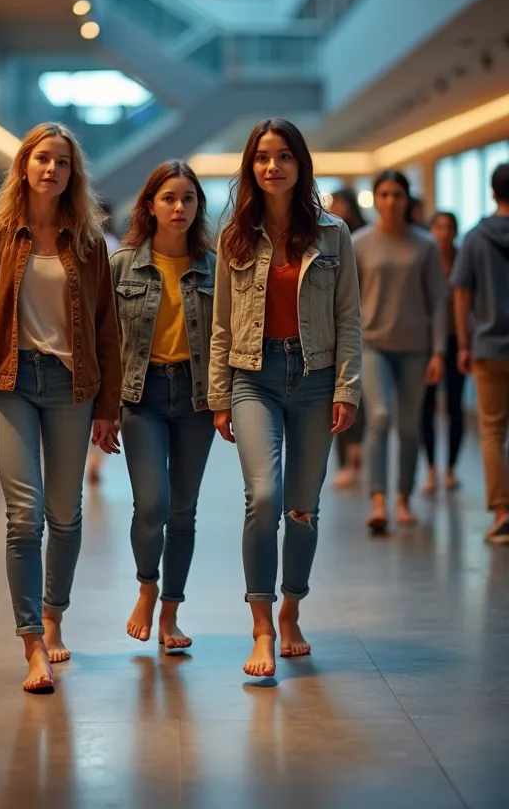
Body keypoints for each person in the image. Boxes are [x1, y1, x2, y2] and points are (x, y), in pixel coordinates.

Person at [0, 123, 122, 693]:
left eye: (63, 162)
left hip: (74, 387)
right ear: (24, 165)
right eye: (42, 159)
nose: (52, 169)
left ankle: (54, 618)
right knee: (23, 516)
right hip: (12, 382)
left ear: (73, 174)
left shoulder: (89, 241)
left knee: (65, 514)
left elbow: (107, 331)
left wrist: (110, 407)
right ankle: (32, 644)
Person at [209, 119, 361, 678]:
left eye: (284, 157)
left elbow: (348, 318)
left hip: (317, 375)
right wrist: (219, 397)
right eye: (263, 158)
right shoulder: (235, 236)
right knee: (263, 495)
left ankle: (293, 608)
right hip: (254, 375)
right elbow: (222, 326)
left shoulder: (333, 233)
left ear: (301, 165)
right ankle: (262, 626)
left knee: (302, 506)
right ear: (251, 167)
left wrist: (347, 387)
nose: (273, 167)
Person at [111, 161, 216, 652]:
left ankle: (170, 613)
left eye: (189, 199)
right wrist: (103, 408)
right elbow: (105, 341)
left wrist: (226, 399)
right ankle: (147, 586)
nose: (180, 208)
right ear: (149, 205)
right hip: (142, 396)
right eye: (169, 198)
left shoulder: (215, 266)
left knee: (184, 510)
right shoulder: (122, 265)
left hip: (196, 398)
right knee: (152, 504)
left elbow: (230, 336)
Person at [353, 170, 447, 534]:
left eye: (398, 195)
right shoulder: (359, 243)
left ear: (407, 200)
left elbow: (438, 300)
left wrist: (439, 351)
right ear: (376, 199)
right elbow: (347, 303)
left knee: (409, 427)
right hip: (372, 345)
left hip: (415, 348)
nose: (391, 202)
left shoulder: (425, 245)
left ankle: (403, 498)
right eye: (384, 195)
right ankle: (378, 500)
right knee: (379, 416)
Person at [452, 163, 509, 544]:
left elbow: (461, 294)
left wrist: (464, 343)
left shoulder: (475, 237)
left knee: (491, 432)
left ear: (492, 192)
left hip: (488, 347)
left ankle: (503, 512)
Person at [421, 212, 465, 494]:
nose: (444, 232)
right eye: (439, 227)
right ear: (431, 230)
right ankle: (432, 469)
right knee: (426, 407)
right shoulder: (424, 259)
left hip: (457, 341)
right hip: (426, 343)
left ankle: (450, 468)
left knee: (455, 406)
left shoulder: (463, 258)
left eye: (449, 227)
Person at [329, 189, 367, 488]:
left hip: (363, 324)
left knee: (358, 395)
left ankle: (357, 449)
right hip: (332, 326)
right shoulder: (327, 235)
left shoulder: (363, 238)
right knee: (339, 392)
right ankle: (346, 457)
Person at [86, 200, 122, 484]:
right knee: (103, 403)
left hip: (89, 332)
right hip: (107, 330)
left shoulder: (96, 244)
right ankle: (96, 460)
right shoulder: (113, 244)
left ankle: (91, 458)